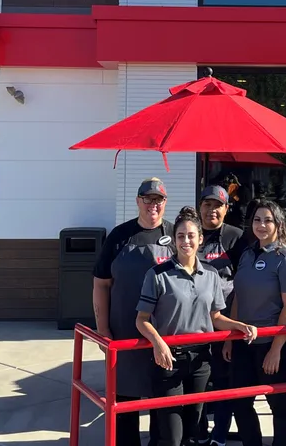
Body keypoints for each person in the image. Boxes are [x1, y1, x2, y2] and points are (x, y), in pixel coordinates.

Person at [136, 207, 260, 446]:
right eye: (180, 236)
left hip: (201, 360)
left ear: (200, 239)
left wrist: (239, 325)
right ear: (174, 240)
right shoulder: (157, 274)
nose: (186, 241)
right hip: (168, 361)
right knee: (172, 435)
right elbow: (141, 319)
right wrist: (158, 343)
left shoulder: (211, 274)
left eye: (191, 235)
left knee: (195, 427)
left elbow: (215, 316)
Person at [93, 178, 175, 446]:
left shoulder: (176, 235)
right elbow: (101, 284)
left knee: (161, 397)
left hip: (163, 333)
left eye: (158, 199)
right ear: (138, 201)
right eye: (147, 199)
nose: (153, 204)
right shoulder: (119, 236)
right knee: (124, 398)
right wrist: (102, 330)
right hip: (123, 330)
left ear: (165, 203)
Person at [226, 199, 286, 446]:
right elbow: (238, 296)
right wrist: (230, 336)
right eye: (257, 219)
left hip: (272, 343)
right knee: (240, 402)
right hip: (243, 341)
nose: (261, 225)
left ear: (279, 224)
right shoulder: (247, 254)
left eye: (268, 220)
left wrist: (275, 350)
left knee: (280, 406)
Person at [195, 185, 247, 446]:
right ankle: (200, 433)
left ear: (226, 209)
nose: (211, 210)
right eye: (207, 204)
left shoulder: (237, 237)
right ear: (199, 207)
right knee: (197, 381)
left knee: (225, 381)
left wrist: (231, 334)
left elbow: (243, 285)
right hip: (192, 325)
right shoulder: (189, 235)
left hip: (225, 323)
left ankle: (219, 436)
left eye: (218, 205)